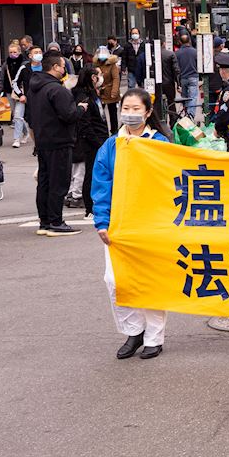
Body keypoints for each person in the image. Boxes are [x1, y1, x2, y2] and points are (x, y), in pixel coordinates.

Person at [92, 88, 170, 359]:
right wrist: (102, 222)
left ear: (148, 112)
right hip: (119, 224)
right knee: (116, 280)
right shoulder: (110, 146)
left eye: (137, 109)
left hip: (151, 224)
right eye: (126, 108)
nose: (131, 114)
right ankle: (134, 331)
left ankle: (154, 337)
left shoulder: (160, 144)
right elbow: (101, 186)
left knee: (150, 280)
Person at [26, 51, 87, 235]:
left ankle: (45, 221)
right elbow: (69, 115)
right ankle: (56, 221)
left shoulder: (34, 87)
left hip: (42, 140)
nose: (64, 69)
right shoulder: (57, 89)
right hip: (59, 141)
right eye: (62, 66)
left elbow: (30, 116)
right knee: (58, 183)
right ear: (54, 67)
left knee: (44, 183)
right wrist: (80, 108)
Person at [67, 63, 110, 212]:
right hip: (91, 142)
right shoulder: (83, 96)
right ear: (93, 77)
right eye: (99, 75)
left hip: (100, 139)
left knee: (97, 173)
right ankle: (89, 208)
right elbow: (85, 124)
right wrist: (98, 143)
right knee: (90, 174)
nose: (101, 77)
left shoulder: (93, 93)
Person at [1, 40, 30, 148]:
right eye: (10, 52)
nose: (13, 54)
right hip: (10, 91)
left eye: (15, 52)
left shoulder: (24, 64)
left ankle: (16, 139)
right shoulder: (6, 64)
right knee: (16, 115)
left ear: (19, 52)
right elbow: (2, 78)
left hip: (21, 92)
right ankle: (26, 132)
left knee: (18, 115)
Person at [175, 32, 200, 121]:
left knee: (184, 97)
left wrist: (177, 82)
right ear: (189, 41)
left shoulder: (177, 53)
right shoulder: (195, 52)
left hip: (183, 78)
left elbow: (176, 68)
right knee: (193, 97)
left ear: (180, 42)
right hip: (193, 76)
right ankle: (190, 115)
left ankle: (186, 114)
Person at [96, 46, 122, 131]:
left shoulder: (112, 65)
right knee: (99, 114)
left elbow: (116, 78)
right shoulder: (96, 64)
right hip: (100, 93)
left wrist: (114, 92)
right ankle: (102, 130)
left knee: (113, 113)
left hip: (110, 92)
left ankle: (114, 131)